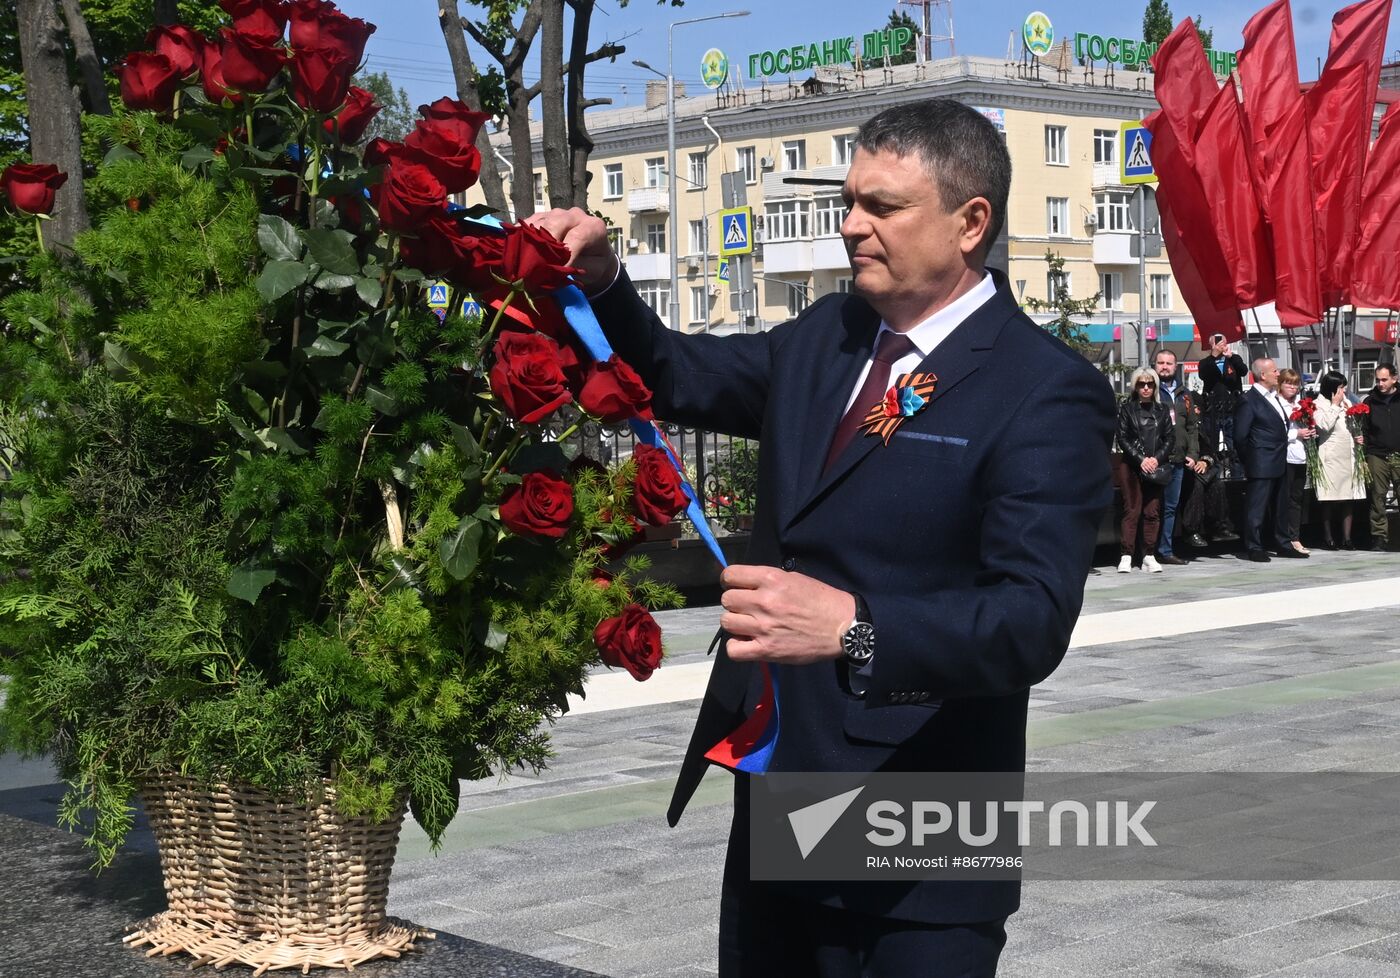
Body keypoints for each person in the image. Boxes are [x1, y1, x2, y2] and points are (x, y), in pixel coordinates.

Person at [530, 98, 1116, 978]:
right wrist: (607, 282)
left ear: (971, 223)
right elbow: (678, 373)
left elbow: (1029, 620)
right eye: (849, 202)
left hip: (924, 836)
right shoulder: (829, 338)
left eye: (882, 207)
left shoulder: (1043, 390)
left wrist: (855, 629)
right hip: (785, 800)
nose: (850, 228)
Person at [1233, 357, 1294, 561]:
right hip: (1261, 461)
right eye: (1275, 371)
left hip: (1279, 459)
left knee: (1280, 506)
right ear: (1262, 375)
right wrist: (1251, 460)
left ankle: (1283, 543)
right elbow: (1240, 436)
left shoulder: (1272, 396)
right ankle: (1254, 546)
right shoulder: (1249, 400)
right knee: (1257, 507)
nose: (1278, 374)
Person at [1115, 368, 1173, 573]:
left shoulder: (1163, 410)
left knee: (1152, 511)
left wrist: (1155, 460)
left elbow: (1169, 438)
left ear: (1155, 386)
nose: (1146, 388)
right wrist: (1141, 459)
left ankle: (1149, 554)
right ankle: (1126, 555)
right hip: (1131, 465)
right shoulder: (1127, 409)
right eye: (1141, 384)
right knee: (1132, 510)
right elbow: (1122, 438)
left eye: (1150, 384)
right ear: (1135, 386)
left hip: (1155, 467)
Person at [1152, 349, 1201, 564]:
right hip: (1155, 460)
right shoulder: (1149, 390)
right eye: (1160, 363)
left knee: (1170, 507)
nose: (1164, 366)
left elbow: (1192, 428)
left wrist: (1193, 453)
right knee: (1151, 507)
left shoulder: (1185, 394)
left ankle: (1165, 550)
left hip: (1178, 460)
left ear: (1176, 366)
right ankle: (1145, 551)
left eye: (1168, 363)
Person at [1314, 371, 1367, 550]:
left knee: (1348, 497)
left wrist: (1357, 435)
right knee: (1329, 497)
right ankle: (1328, 537)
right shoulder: (1318, 404)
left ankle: (1347, 537)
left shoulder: (1347, 401)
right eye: (1340, 388)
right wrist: (1335, 406)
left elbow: (1351, 424)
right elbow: (1324, 426)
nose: (1343, 391)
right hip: (1331, 455)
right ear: (1331, 388)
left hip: (1348, 453)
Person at [1275, 368, 1315, 556]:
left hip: (1300, 456)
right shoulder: (1277, 404)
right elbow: (1275, 432)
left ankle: (1295, 536)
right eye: (1288, 383)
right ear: (1280, 385)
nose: (1292, 387)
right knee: (1284, 499)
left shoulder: (1300, 405)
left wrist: (1310, 431)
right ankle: (1285, 537)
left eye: (1294, 383)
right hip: (1285, 457)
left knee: (1297, 499)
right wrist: (1296, 433)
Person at [1363, 363, 1399, 551]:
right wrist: (1365, 452)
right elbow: (1365, 429)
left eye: (1384, 379)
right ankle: (1379, 537)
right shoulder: (1370, 401)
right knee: (1378, 495)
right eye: (1378, 380)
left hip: (1399, 453)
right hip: (1377, 454)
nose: (1380, 383)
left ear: (1395, 378)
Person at [1197, 333, 1247, 459]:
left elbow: (1243, 371)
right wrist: (1213, 356)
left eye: (1223, 342)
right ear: (1211, 345)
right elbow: (1203, 375)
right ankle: (1214, 473)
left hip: (1231, 408)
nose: (1220, 346)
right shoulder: (1205, 362)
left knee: (1234, 445)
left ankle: (1236, 473)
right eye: (1217, 343)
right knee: (1211, 445)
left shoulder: (1234, 359)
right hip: (1212, 409)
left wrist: (1231, 356)